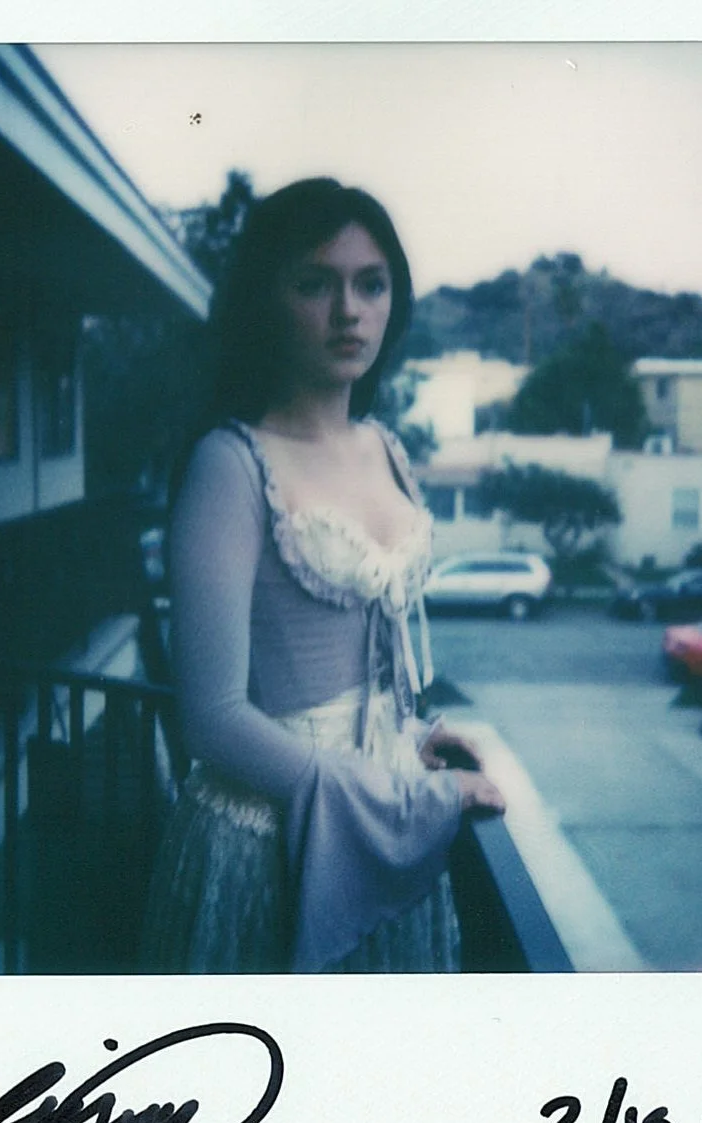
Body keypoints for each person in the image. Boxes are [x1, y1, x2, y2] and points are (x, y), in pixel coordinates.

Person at [142, 177, 505, 974]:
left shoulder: (386, 448)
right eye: (314, 284)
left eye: (371, 284)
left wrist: (412, 737)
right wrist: (414, 800)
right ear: (264, 302)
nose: (348, 311)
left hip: (386, 820)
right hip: (267, 842)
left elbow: (367, 662)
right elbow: (213, 719)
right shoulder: (230, 464)